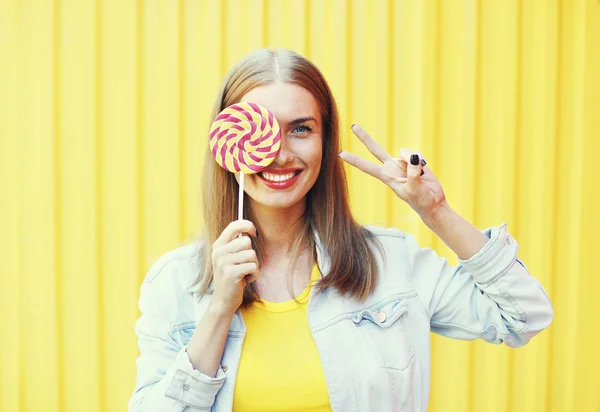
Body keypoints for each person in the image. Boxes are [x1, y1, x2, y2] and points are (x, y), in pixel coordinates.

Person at [128, 48, 553, 412]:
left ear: (325, 140)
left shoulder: (391, 264)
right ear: (229, 141)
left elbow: (524, 316)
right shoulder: (176, 282)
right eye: (261, 129)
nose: (278, 153)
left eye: (300, 129)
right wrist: (220, 307)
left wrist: (437, 211)